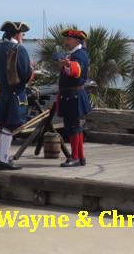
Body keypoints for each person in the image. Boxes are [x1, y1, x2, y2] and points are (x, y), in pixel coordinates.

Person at [0, 21, 33, 170]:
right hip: (13, 94)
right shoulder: (19, 50)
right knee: (9, 126)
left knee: (1, 125)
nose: (22, 37)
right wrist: (31, 69)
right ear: (16, 34)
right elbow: (26, 75)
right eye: (22, 34)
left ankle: (0, 157)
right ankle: (3, 159)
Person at [56, 29, 92, 167]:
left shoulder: (80, 55)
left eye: (68, 39)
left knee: (73, 127)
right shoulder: (75, 54)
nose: (66, 42)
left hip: (73, 95)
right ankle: (80, 157)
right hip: (70, 95)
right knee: (73, 126)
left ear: (76, 40)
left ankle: (75, 157)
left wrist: (67, 64)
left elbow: (77, 70)